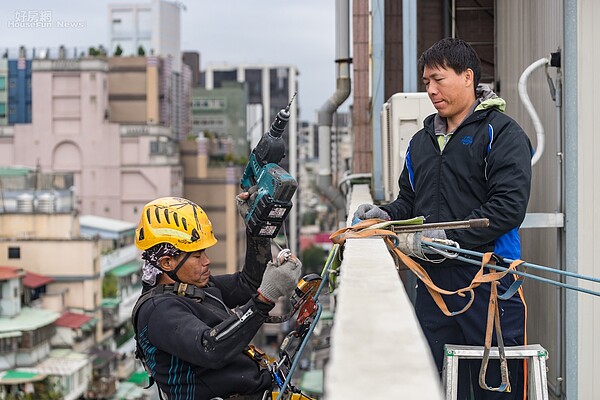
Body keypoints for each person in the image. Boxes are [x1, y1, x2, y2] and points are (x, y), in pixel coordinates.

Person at [354, 38, 532, 399]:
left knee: (496, 390)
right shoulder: (421, 141)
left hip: (489, 281)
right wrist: (385, 214)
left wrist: (449, 239)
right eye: (426, 83)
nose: (431, 90)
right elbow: (410, 200)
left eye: (438, 79)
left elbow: (508, 207)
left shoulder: (502, 134)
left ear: (467, 77)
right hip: (433, 286)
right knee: (432, 385)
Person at [131, 195, 302, 400]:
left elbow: (247, 285)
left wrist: (258, 230)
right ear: (167, 263)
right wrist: (264, 299)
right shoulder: (158, 311)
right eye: (196, 256)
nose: (207, 261)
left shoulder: (192, 288)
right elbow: (210, 348)